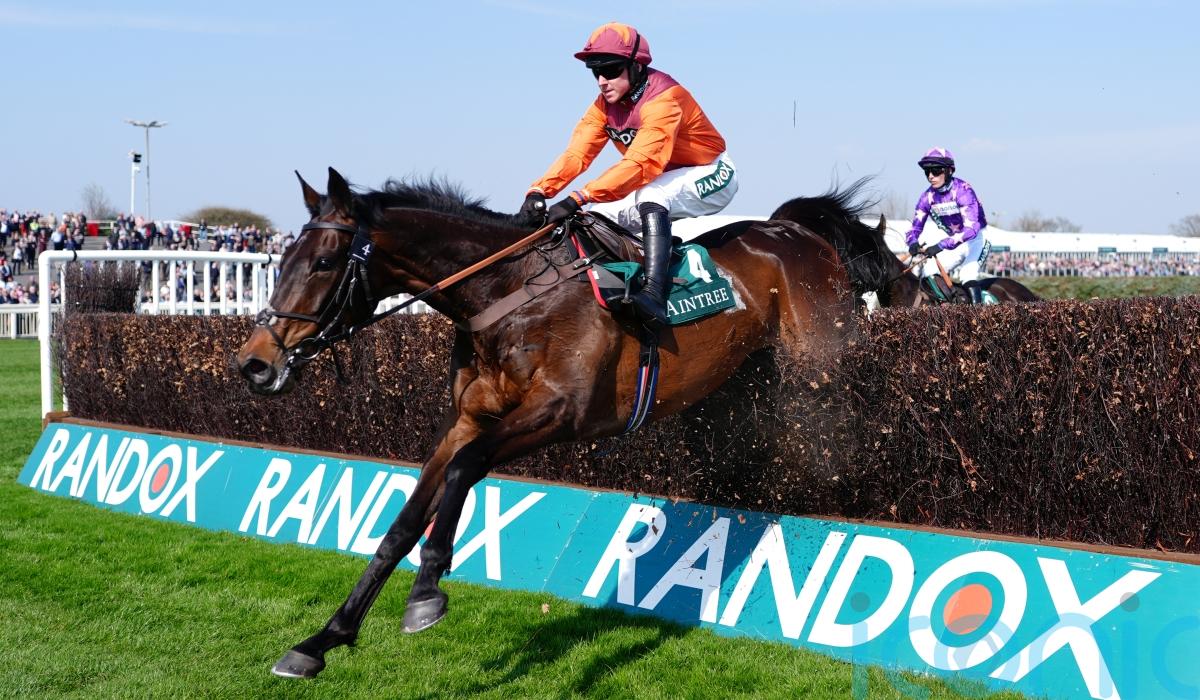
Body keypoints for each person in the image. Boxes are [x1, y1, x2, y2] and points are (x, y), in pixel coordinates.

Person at [518, 22, 738, 327]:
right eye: (596, 72)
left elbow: (640, 164)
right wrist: (540, 190)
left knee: (650, 194)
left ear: (636, 67)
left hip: (712, 172)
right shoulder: (603, 107)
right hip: (664, 177)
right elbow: (577, 154)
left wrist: (578, 196)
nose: (602, 81)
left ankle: (655, 295)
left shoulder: (665, 99)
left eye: (610, 70)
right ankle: (618, 292)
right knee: (594, 218)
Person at [905, 147, 992, 303]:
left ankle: (978, 315)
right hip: (955, 242)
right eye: (927, 172)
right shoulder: (927, 197)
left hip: (977, 239)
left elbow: (971, 229)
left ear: (949, 170)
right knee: (928, 271)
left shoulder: (963, 190)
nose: (930, 176)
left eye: (936, 170)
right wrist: (912, 242)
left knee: (966, 274)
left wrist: (941, 245)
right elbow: (915, 228)